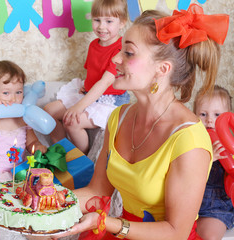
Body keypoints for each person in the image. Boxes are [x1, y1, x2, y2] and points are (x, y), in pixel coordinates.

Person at [55, 4, 229, 240]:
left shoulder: (189, 140)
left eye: (128, 52)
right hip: (120, 230)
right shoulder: (119, 117)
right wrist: (47, 205)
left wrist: (111, 224)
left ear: (162, 69)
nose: (115, 58)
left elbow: (175, 232)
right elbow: (97, 191)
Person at [44, 0, 130, 154]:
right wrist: (87, 85)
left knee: (72, 123)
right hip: (90, 93)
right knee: (48, 111)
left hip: (108, 99)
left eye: (109, 21)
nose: (101, 26)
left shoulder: (119, 49)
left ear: (122, 23)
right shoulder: (93, 45)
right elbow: (92, 72)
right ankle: (62, 150)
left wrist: (78, 106)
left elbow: (104, 83)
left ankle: (82, 158)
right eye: (97, 20)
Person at [0, 60, 47, 190]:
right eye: (6, 93)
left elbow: (31, 141)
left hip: (18, 171)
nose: (13, 99)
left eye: (18, 92)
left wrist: (37, 146)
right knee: (4, 194)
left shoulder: (23, 118)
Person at [194, 85, 234, 240]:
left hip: (217, 209)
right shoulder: (192, 142)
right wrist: (208, 157)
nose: (209, 120)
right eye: (203, 114)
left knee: (208, 236)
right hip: (190, 207)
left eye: (217, 115)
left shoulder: (229, 146)